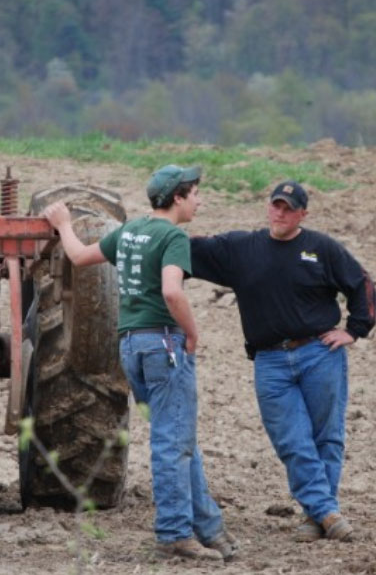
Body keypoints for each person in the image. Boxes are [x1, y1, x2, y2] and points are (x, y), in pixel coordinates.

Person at [41, 165, 238, 562]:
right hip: (165, 345)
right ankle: (173, 534)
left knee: (178, 437)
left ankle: (210, 528)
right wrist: (193, 332)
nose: (200, 200)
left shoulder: (128, 232)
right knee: (171, 443)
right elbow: (172, 291)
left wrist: (63, 224)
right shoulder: (172, 237)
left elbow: (78, 256)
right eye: (196, 193)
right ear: (178, 197)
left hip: (131, 347)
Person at [189, 180, 376, 543]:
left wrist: (355, 330)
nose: (280, 213)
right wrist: (152, 232)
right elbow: (192, 249)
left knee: (327, 437)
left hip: (319, 353)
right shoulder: (243, 248)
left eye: (288, 208)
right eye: (275, 205)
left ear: (302, 214)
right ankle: (327, 513)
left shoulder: (322, 248)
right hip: (270, 361)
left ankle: (316, 515)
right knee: (291, 439)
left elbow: (361, 284)